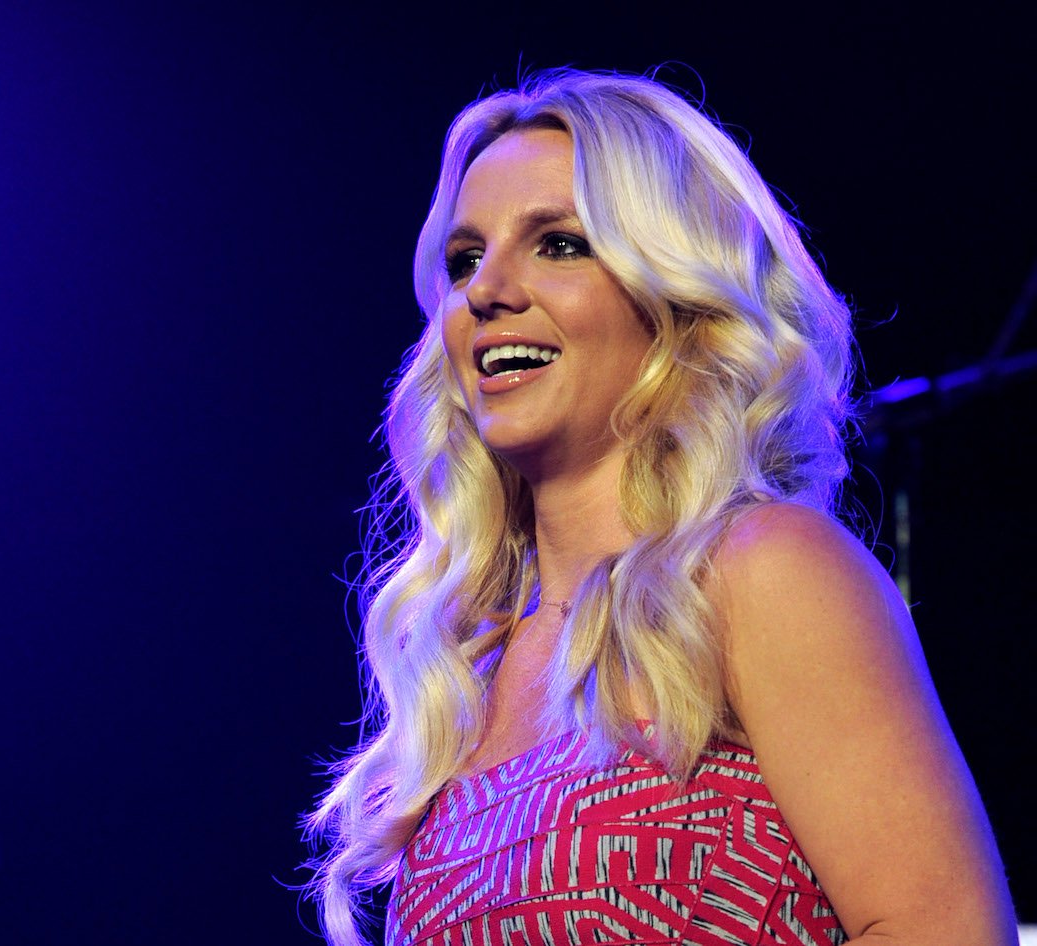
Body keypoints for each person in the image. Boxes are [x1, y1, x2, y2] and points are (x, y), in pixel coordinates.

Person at [306, 68, 1017, 946]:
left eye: (559, 243)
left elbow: (943, 929)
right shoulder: (466, 670)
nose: (485, 290)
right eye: (464, 259)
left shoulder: (764, 572)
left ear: (675, 297)